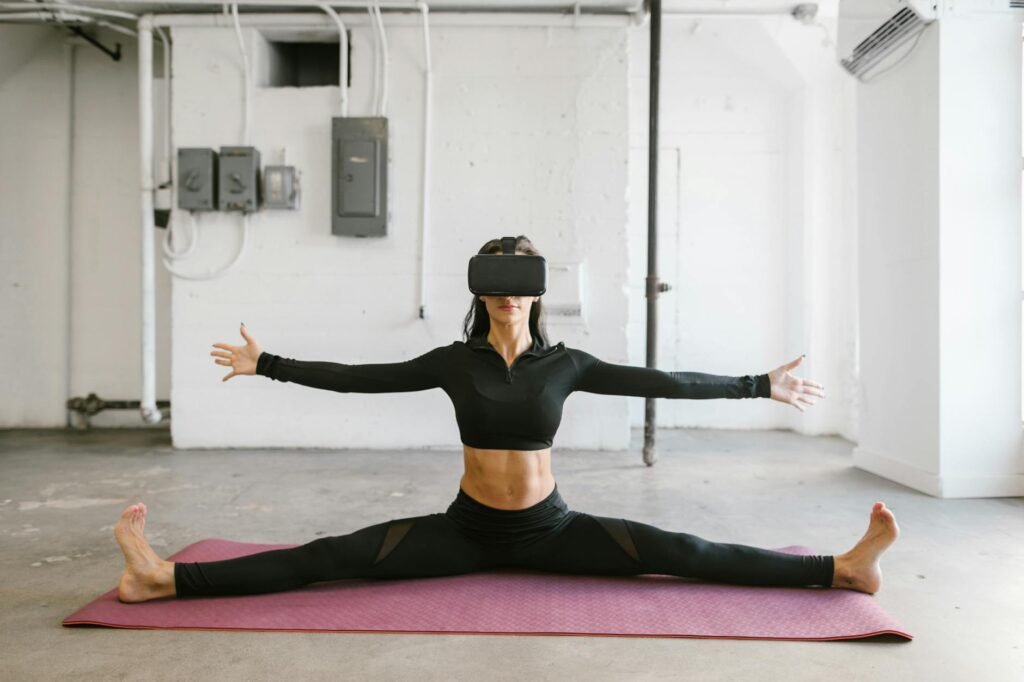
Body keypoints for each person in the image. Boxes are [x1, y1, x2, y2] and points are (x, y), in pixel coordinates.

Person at [113, 236, 899, 603]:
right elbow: (359, 380)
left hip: (553, 528)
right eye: (496, 279)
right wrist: (270, 363)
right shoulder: (453, 361)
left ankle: (840, 569)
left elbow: (663, 380)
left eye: (520, 280)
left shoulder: (572, 365)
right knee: (327, 556)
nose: (508, 293)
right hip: (467, 529)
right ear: (481, 289)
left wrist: (757, 384)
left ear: (535, 291)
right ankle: (163, 578)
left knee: (683, 550)